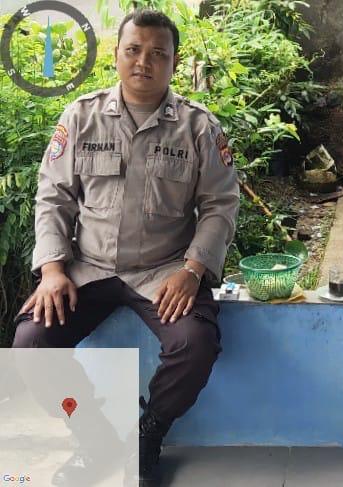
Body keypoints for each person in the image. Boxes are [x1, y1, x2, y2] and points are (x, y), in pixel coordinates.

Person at [12, 8, 239, 486]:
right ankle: (93, 437)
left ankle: (148, 434)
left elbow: (220, 205)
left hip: (163, 271)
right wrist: (52, 269)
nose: (143, 62)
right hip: (87, 267)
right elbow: (53, 197)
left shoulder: (199, 127)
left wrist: (193, 270)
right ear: (116, 54)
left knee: (195, 344)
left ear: (174, 63)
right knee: (31, 345)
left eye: (158, 54)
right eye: (133, 50)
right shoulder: (82, 116)